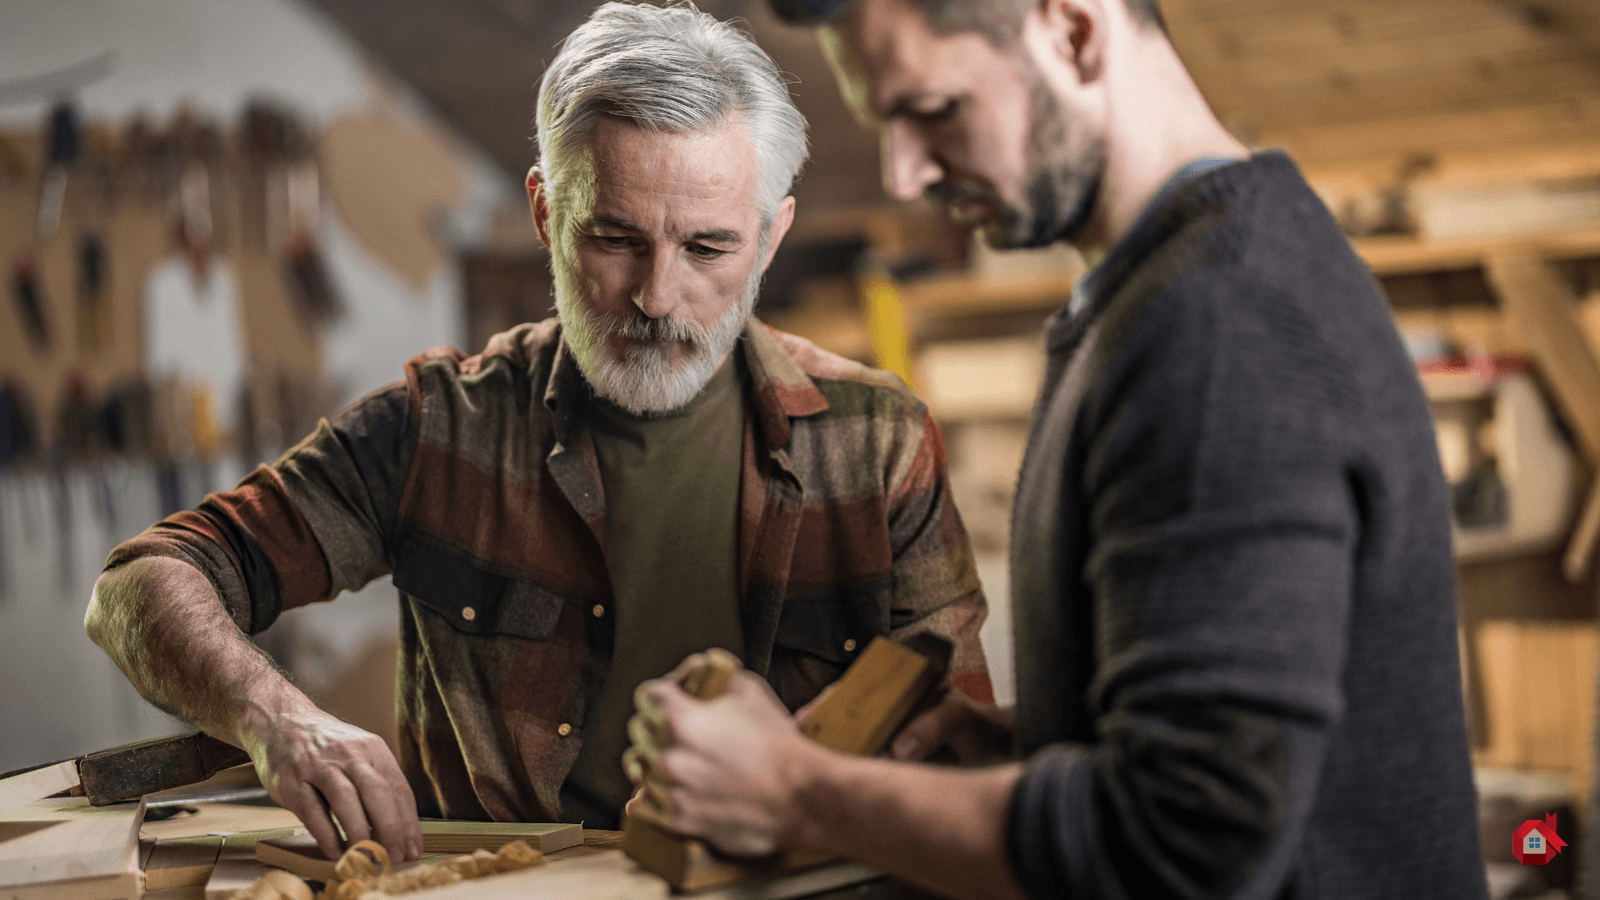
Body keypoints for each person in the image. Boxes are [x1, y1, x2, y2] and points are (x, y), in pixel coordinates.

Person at [84, 2, 992, 866]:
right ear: (544, 212)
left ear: (772, 235)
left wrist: (798, 795)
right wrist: (275, 719)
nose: (656, 296)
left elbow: (960, 761)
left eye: (708, 249)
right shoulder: (438, 428)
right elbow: (140, 584)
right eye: (614, 237)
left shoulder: (879, 442)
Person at [625, 0, 1488, 898]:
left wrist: (798, 789)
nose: (907, 173)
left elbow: (1190, 841)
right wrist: (1023, 745)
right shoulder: (1180, 285)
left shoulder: (1218, 325)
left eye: (934, 110)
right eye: (887, 122)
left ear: (1074, 30)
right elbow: (1218, 765)